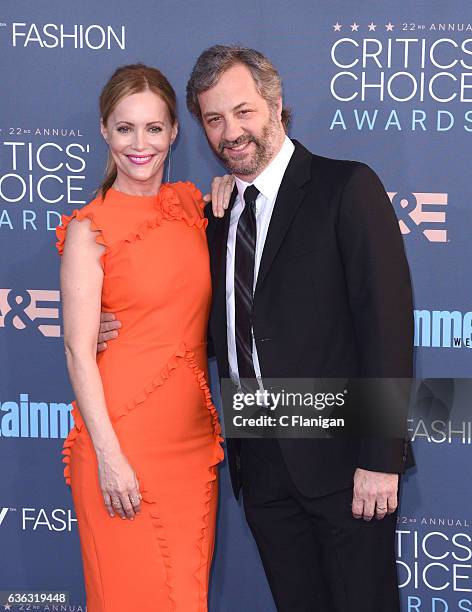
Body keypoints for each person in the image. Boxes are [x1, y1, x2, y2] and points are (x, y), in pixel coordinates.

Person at [100, 46, 414, 611]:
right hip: (261, 464)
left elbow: (386, 330)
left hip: (345, 462)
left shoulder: (345, 188)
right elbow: (190, 319)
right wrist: (115, 327)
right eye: (214, 119)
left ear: (275, 106)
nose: (231, 132)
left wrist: (380, 457)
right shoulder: (216, 216)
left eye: (243, 112)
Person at [56, 63, 224, 612]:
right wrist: (109, 456)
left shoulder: (190, 207)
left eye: (153, 128)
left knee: (185, 599)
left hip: (192, 447)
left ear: (175, 132)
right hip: (120, 442)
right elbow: (78, 350)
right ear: (104, 130)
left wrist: (229, 188)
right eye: (125, 128)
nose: (139, 143)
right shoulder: (90, 228)